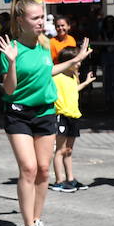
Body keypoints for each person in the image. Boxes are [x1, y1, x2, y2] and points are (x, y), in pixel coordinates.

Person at [0, 0, 89, 226]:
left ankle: (37, 220)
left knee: (43, 169)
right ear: (21, 21)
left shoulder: (44, 44)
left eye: (42, 17)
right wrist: (13, 62)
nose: (42, 22)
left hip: (46, 112)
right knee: (28, 168)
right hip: (18, 113)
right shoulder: (10, 48)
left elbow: (45, 71)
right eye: (36, 18)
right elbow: (9, 89)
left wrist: (73, 61)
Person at [49, 48, 95, 192]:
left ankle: (70, 179)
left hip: (73, 115)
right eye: (77, 61)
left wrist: (86, 83)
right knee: (60, 150)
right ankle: (59, 181)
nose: (79, 64)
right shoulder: (56, 77)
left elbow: (73, 90)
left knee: (68, 150)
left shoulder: (73, 77)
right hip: (61, 115)